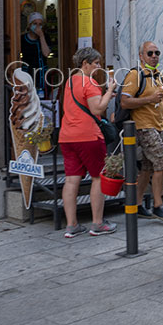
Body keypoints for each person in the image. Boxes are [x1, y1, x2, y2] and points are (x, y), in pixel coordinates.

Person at [58, 47, 117, 238]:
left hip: (67, 137)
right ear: (85, 64)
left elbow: (83, 103)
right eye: (96, 63)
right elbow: (98, 109)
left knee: (71, 180)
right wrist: (109, 91)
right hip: (88, 136)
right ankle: (97, 223)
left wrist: (105, 96)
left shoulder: (69, 81)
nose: (98, 67)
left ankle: (71, 225)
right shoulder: (89, 82)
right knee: (98, 177)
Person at [120, 41, 163, 220]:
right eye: (150, 53)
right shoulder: (135, 75)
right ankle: (158, 204)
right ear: (141, 56)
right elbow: (124, 101)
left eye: (156, 53)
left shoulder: (157, 75)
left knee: (148, 167)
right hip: (143, 126)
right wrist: (149, 99)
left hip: (158, 125)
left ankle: (136, 204)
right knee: (162, 162)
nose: (154, 56)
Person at [22, 12, 51, 98]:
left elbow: (46, 53)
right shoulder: (22, 39)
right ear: (30, 25)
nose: (37, 27)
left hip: (42, 75)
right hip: (28, 73)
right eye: (35, 24)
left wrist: (41, 36)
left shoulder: (45, 37)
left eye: (40, 24)